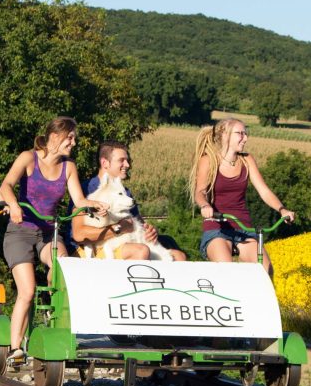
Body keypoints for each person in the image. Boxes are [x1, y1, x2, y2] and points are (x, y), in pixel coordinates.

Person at [0, 116, 107, 362]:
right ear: (55, 137)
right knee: (27, 290)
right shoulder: (29, 158)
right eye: (70, 137)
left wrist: (93, 205)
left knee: (62, 269)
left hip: (49, 233)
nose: (74, 143)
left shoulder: (69, 167)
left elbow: (78, 201)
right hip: (20, 231)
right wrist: (14, 205)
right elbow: (6, 185)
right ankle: (15, 347)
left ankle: (51, 315)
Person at [189, 118, 295, 276]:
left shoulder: (246, 160)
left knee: (265, 271)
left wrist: (282, 209)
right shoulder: (208, 160)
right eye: (240, 133)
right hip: (217, 226)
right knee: (227, 272)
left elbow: (263, 190)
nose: (245, 138)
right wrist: (205, 206)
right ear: (225, 135)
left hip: (243, 228)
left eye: (246, 133)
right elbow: (200, 192)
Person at [71, 140, 188, 261]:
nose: (127, 165)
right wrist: (119, 228)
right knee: (141, 251)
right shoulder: (86, 190)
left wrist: (150, 231)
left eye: (127, 160)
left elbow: (138, 224)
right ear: (105, 163)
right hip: (93, 249)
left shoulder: (125, 192)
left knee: (179, 256)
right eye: (121, 160)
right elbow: (79, 234)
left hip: (126, 242)